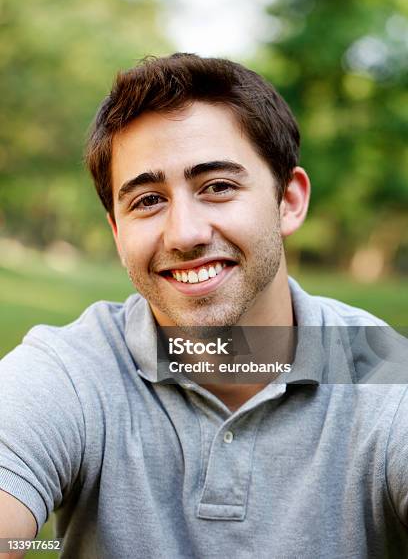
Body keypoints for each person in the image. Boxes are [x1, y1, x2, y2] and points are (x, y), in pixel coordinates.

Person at [0, 53, 407, 558]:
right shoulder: (70, 373)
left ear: (289, 200)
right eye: (147, 200)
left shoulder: (390, 382)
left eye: (218, 187)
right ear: (116, 230)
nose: (186, 234)